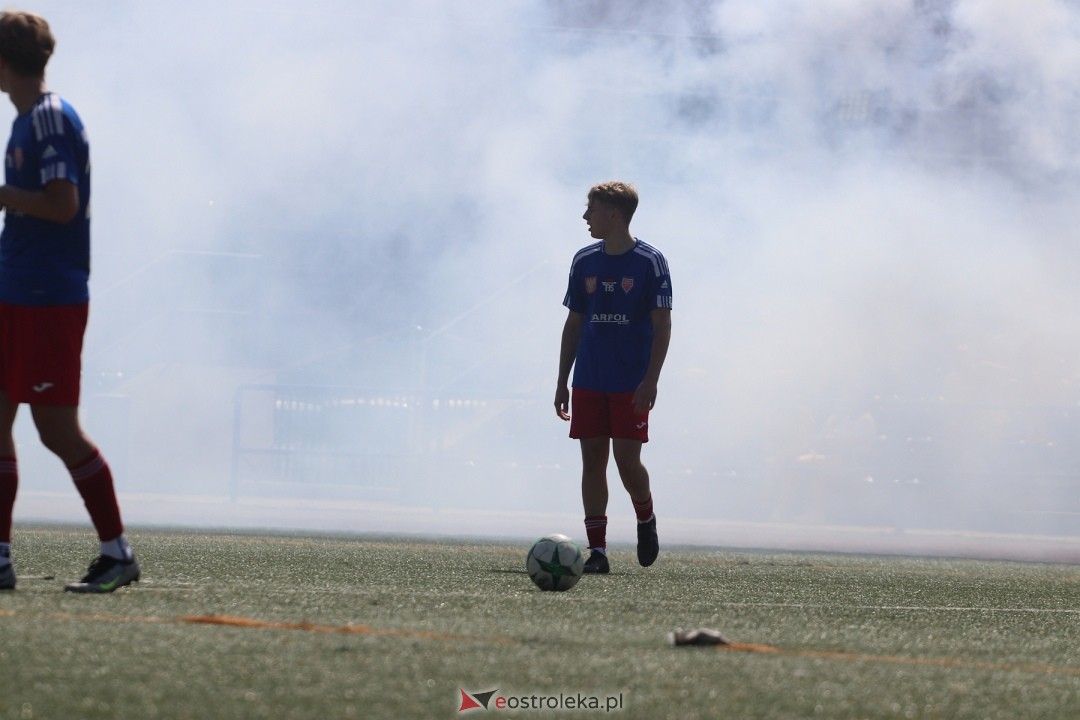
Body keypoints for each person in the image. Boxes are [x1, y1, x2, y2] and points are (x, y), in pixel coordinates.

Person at [0, 10, 139, 593]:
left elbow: (61, 205)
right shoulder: (28, 118)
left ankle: (117, 553)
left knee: (57, 431)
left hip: (45, 297)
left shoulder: (50, 119)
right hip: (16, 290)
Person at [555, 181, 672, 574]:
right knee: (592, 462)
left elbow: (662, 324)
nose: (585, 216)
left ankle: (645, 517)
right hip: (589, 378)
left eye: (591, 208)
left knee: (626, 461)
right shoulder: (584, 260)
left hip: (630, 382)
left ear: (614, 214)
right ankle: (598, 551)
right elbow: (574, 323)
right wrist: (561, 381)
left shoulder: (649, 261)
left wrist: (651, 379)